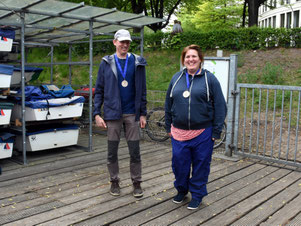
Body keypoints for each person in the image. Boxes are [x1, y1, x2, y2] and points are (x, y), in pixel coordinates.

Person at [165, 44, 227, 210]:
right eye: (187, 57)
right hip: (178, 132)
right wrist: (168, 126)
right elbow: (168, 103)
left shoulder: (209, 79)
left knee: (201, 165)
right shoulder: (176, 78)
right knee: (179, 165)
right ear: (183, 60)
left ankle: (197, 195)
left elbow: (221, 106)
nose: (191, 59)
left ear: (200, 59)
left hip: (203, 133)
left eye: (194, 56)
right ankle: (181, 190)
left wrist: (216, 131)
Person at [93, 29, 147, 198]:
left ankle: (136, 183)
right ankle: (114, 182)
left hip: (132, 114)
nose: (125, 44)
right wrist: (96, 114)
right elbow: (99, 90)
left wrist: (143, 113)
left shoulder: (137, 62)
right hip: (112, 114)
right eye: (121, 41)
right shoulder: (106, 63)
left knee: (135, 151)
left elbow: (143, 89)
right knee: (112, 151)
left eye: (127, 42)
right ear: (114, 42)